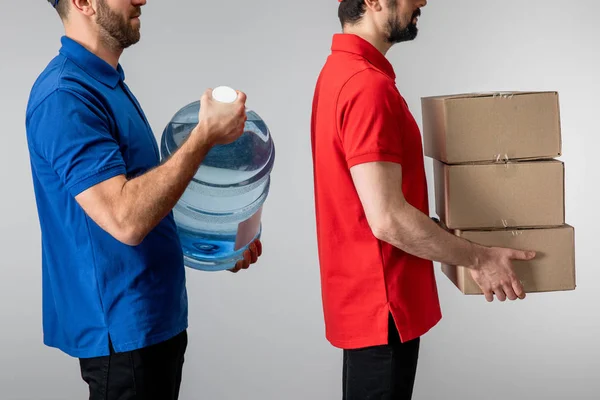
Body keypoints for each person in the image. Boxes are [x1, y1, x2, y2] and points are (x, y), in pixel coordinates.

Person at [25, 1, 262, 399]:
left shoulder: (104, 82)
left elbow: (141, 198)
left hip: (152, 322)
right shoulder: (65, 96)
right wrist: (203, 137)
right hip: (122, 331)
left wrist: (214, 245)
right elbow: (125, 218)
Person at [309, 0, 537, 398]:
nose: (423, 2)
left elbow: (366, 204)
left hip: (367, 304)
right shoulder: (366, 86)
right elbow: (386, 219)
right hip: (384, 309)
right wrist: (479, 258)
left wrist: (440, 232)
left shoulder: (340, 74)